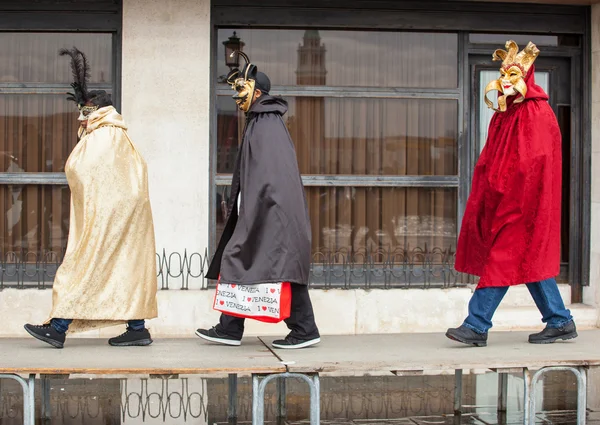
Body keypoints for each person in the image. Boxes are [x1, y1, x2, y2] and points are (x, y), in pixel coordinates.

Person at [24, 47, 158, 348]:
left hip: (108, 220)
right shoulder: (119, 135)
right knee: (124, 268)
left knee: (82, 265)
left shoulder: (102, 136)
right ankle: (137, 328)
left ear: (95, 111)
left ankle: (58, 328)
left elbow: (77, 168)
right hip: (127, 220)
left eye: (84, 113)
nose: (81, 119)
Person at [446, 40, 576, 347]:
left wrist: (513, 195)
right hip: (506, 200)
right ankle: (560, 320)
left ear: (526, 79)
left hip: (523, 203)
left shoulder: (536, 112)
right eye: (503, 74)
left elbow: (535, 162)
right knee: (528, 259)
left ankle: (476, 324)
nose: (505, 81)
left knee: (501, 259)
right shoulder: (506, 113)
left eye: (513, 75)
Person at [196, 52, 320, 349]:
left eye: (241, 89)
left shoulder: (264, 122)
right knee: (258, 264)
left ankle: (299, 329)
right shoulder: (262, 120)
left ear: (258, 92)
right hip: (268, 211)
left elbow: (270, 175)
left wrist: (252, 210)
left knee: (250, 261)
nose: (237, 97)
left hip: (270, 213)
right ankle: (234, 327)